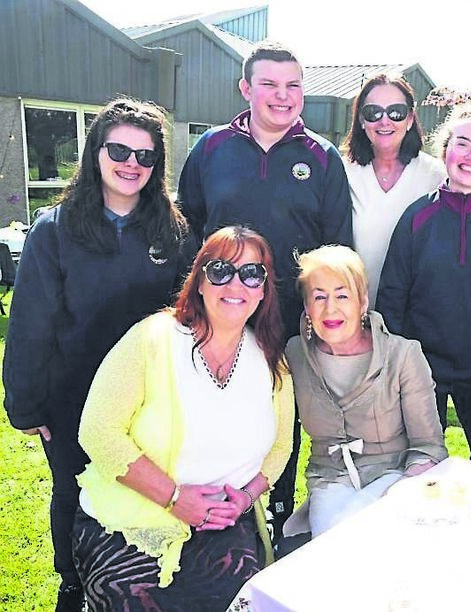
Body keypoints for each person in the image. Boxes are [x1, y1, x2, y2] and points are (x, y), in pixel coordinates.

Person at [2, 98, 194, 612]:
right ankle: (73, 581)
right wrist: (25, 405)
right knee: (74, 492)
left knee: (139, 488)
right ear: (96, 152)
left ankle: (139, 576)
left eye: (145, 156)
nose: (132, 163)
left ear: (157, 167)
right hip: (73, 400)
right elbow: (29, 326)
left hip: (149, 399)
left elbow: (186, 313)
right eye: (119, 150)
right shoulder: (54, 230)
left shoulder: (172, 231)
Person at [177, 41, 353, 538]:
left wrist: (328, 321)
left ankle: (272, 513)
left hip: (290, 322)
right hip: (218, 315)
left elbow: (337, 249)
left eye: (293, 85)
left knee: (280, 420)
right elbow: (187, 234)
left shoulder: (322, 157)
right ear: (246, 89)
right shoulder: (211, 148)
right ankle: (206, 506)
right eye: (270, 84)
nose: (283, 95)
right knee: (211, 409)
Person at [72, 226, 294, 610]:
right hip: (130, 521)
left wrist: (244, 499)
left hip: (222, 527)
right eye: (221, 270)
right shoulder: (152, 339)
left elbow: (281, 448)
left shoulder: (273, 362)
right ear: (200, 281)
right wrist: (174, 498)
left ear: (263, 290)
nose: (236, 284)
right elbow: (97, 431)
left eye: (251, 273)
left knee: (238, 601)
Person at [376, 106, 471, 464]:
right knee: (422, 466)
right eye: (462, 143)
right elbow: (393, 298)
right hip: (421, 371)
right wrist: (399, 370)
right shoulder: (417, 216)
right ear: (445, 151)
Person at [283, 245, 446, 538]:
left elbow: (429, 445)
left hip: (394, 476)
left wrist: (404, 489)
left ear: (362, 302)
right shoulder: (294, 354)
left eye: (342, 295)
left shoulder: (404, 355)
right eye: (319, 297)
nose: (330, 309)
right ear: (307, 308)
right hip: (330, 479)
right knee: (334, 539)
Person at [342, 73, 446, 306]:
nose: (384, 121)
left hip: (413, 315)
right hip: (352, 313)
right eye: (373, 112)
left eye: (396, 112)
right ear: (361, 120)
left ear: (410, 119)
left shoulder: (437, 176)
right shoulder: (342, 173)